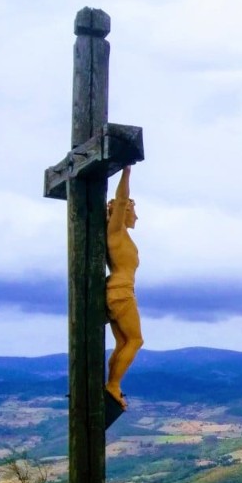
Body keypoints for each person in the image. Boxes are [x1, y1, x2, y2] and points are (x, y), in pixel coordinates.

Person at [106, 165, 142, 410]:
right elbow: (120, 201)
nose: (136, 217)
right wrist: (126, 170)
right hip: (121, 292)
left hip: (120, 291)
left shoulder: (122, 236)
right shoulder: (116, 232)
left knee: (123, 343)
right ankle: (113, 385)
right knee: (136, 340)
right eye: (133, 211)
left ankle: (112, 384)